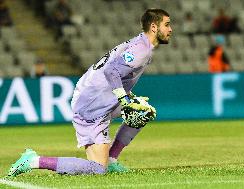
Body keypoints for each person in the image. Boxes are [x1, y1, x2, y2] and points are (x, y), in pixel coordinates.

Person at [8, 8, 172, 176]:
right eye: (166, 25)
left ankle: (112, 160)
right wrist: (124, 98)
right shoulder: (141, 50)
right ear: (153, 27)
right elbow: (111, 71)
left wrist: (127, 98)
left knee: (142, 111)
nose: (170, 29)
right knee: (98, 169)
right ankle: (34, 160)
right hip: (92, 104)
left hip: (97, 97)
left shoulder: (141, 44)